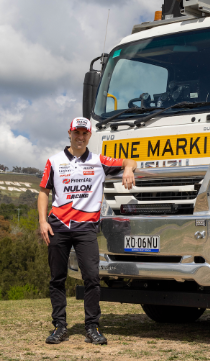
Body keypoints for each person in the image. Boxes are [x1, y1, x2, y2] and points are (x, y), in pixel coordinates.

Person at [38, 117, 137, 345]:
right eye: (76, 133)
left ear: (89, 135)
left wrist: (128, 169)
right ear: (69, 133)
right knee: (57, 279)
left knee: (92, 278)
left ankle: (92, 327)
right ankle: (59, 327)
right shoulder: (53, 161)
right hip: (58, 227)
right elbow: (43, 192)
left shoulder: (99, 160)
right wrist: (43, 221)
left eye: (84, 133)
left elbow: (130, 161)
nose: (80, 137)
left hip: (85, 228)